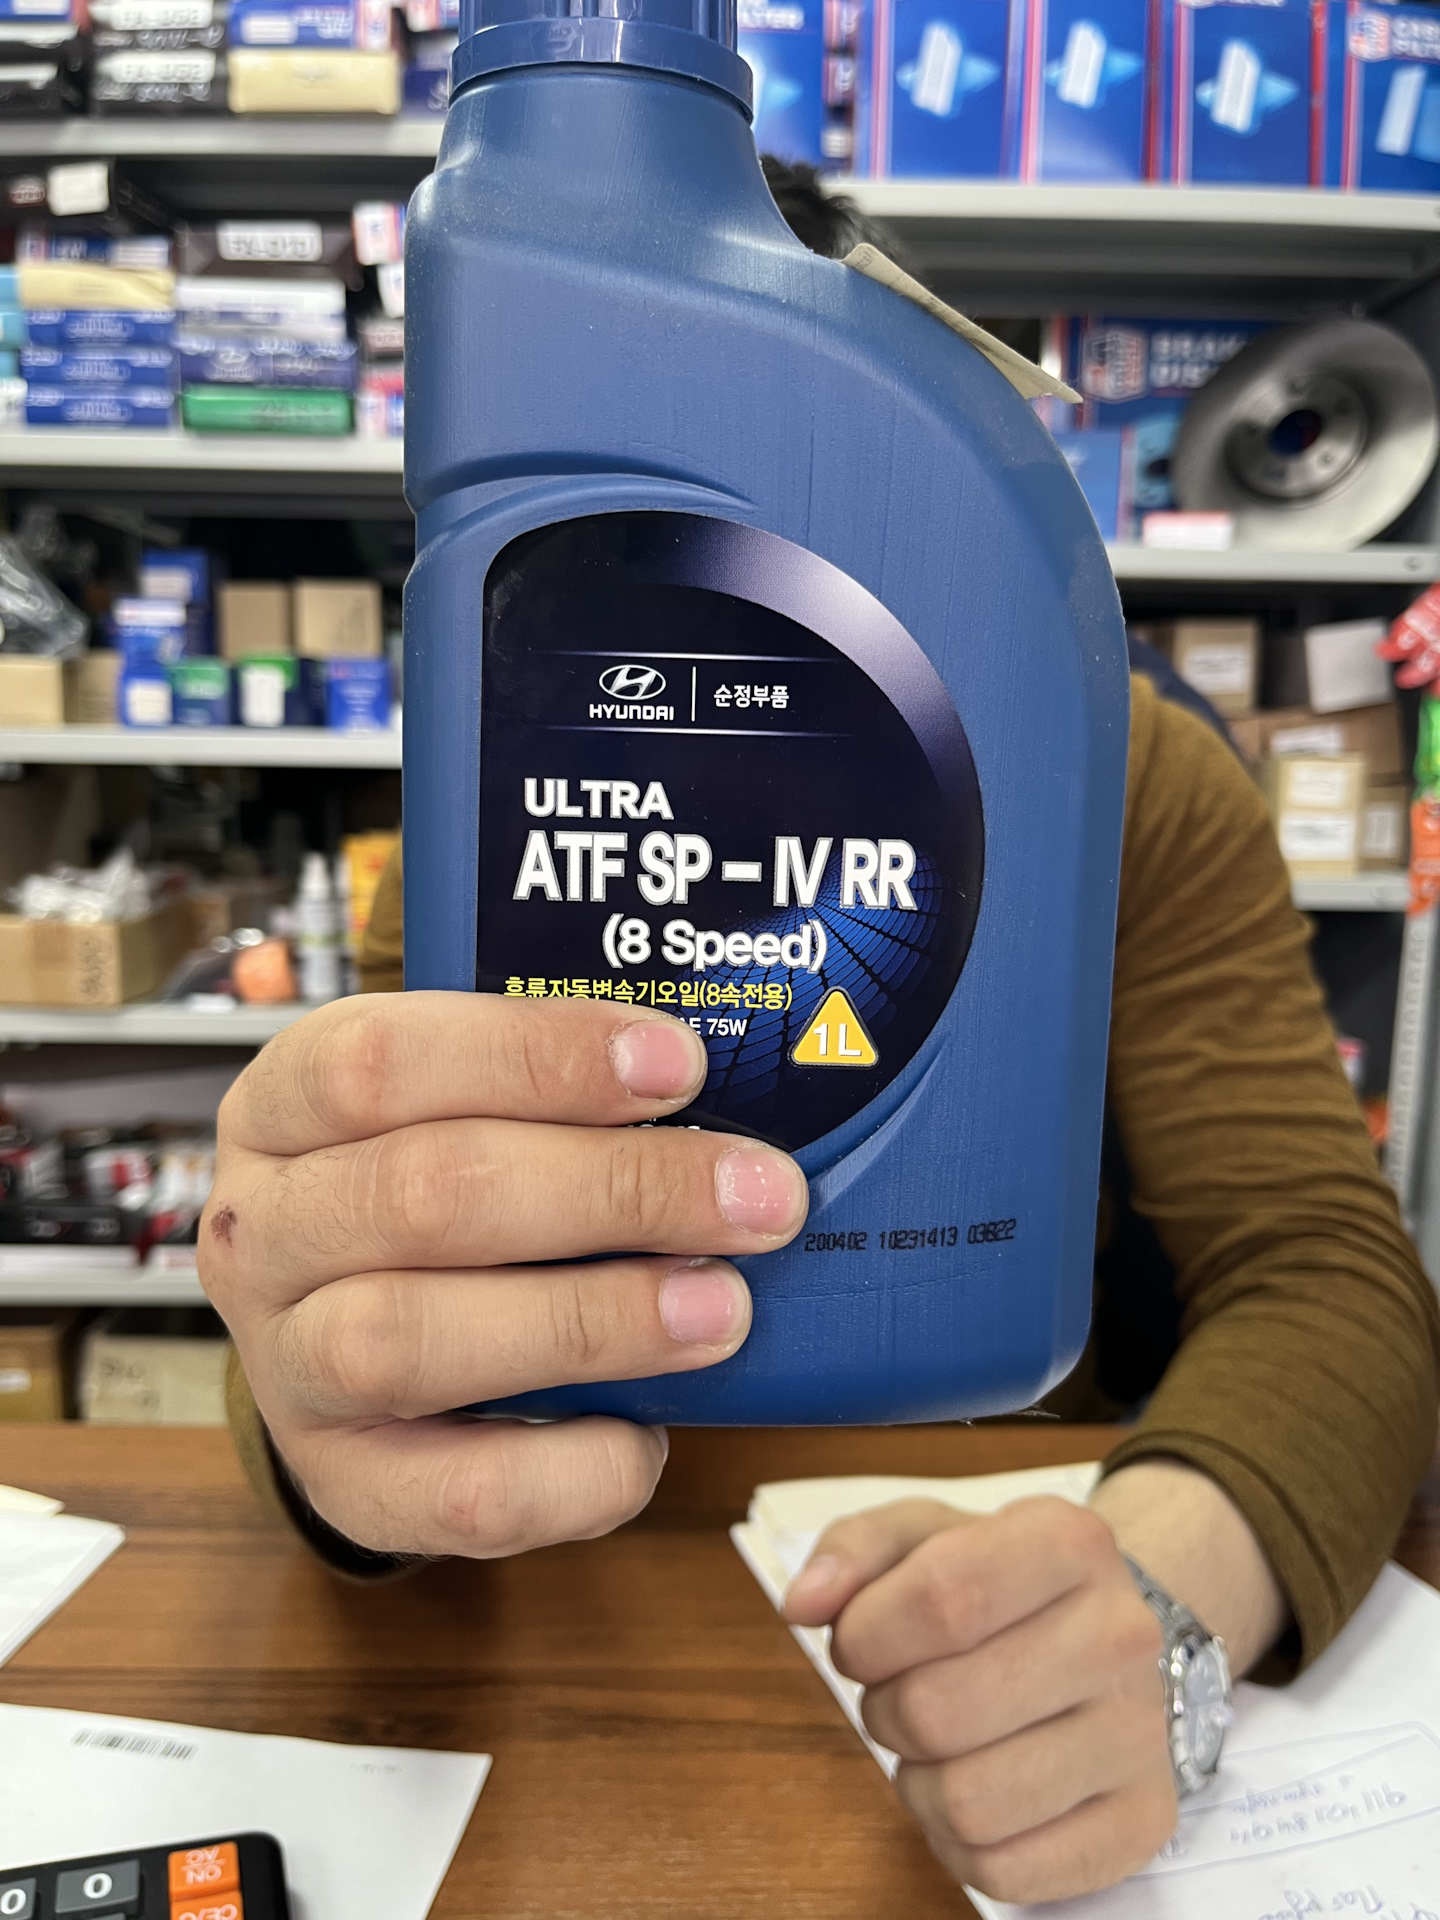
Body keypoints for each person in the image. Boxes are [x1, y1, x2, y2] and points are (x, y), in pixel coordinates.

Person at [208, 169, 1440, 1904]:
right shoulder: (493, 782)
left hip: (999, 1572)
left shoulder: (1128, 776)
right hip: (557, 1654)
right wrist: (326, 1404)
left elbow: (1326, 1268)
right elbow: (376, 1309)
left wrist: (1159, 1598)